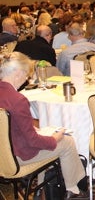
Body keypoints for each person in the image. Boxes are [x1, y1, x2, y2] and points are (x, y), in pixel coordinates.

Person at [0, 52, 88, 198]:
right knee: (67, 142)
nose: (27, 78)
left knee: (44, 135)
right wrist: (54, 138)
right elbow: (33, 141)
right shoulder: (18, 100)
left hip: (4, 153)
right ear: (17, 73)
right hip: (16, 157)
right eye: (26, 74)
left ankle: (42, 189)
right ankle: (74, 189)